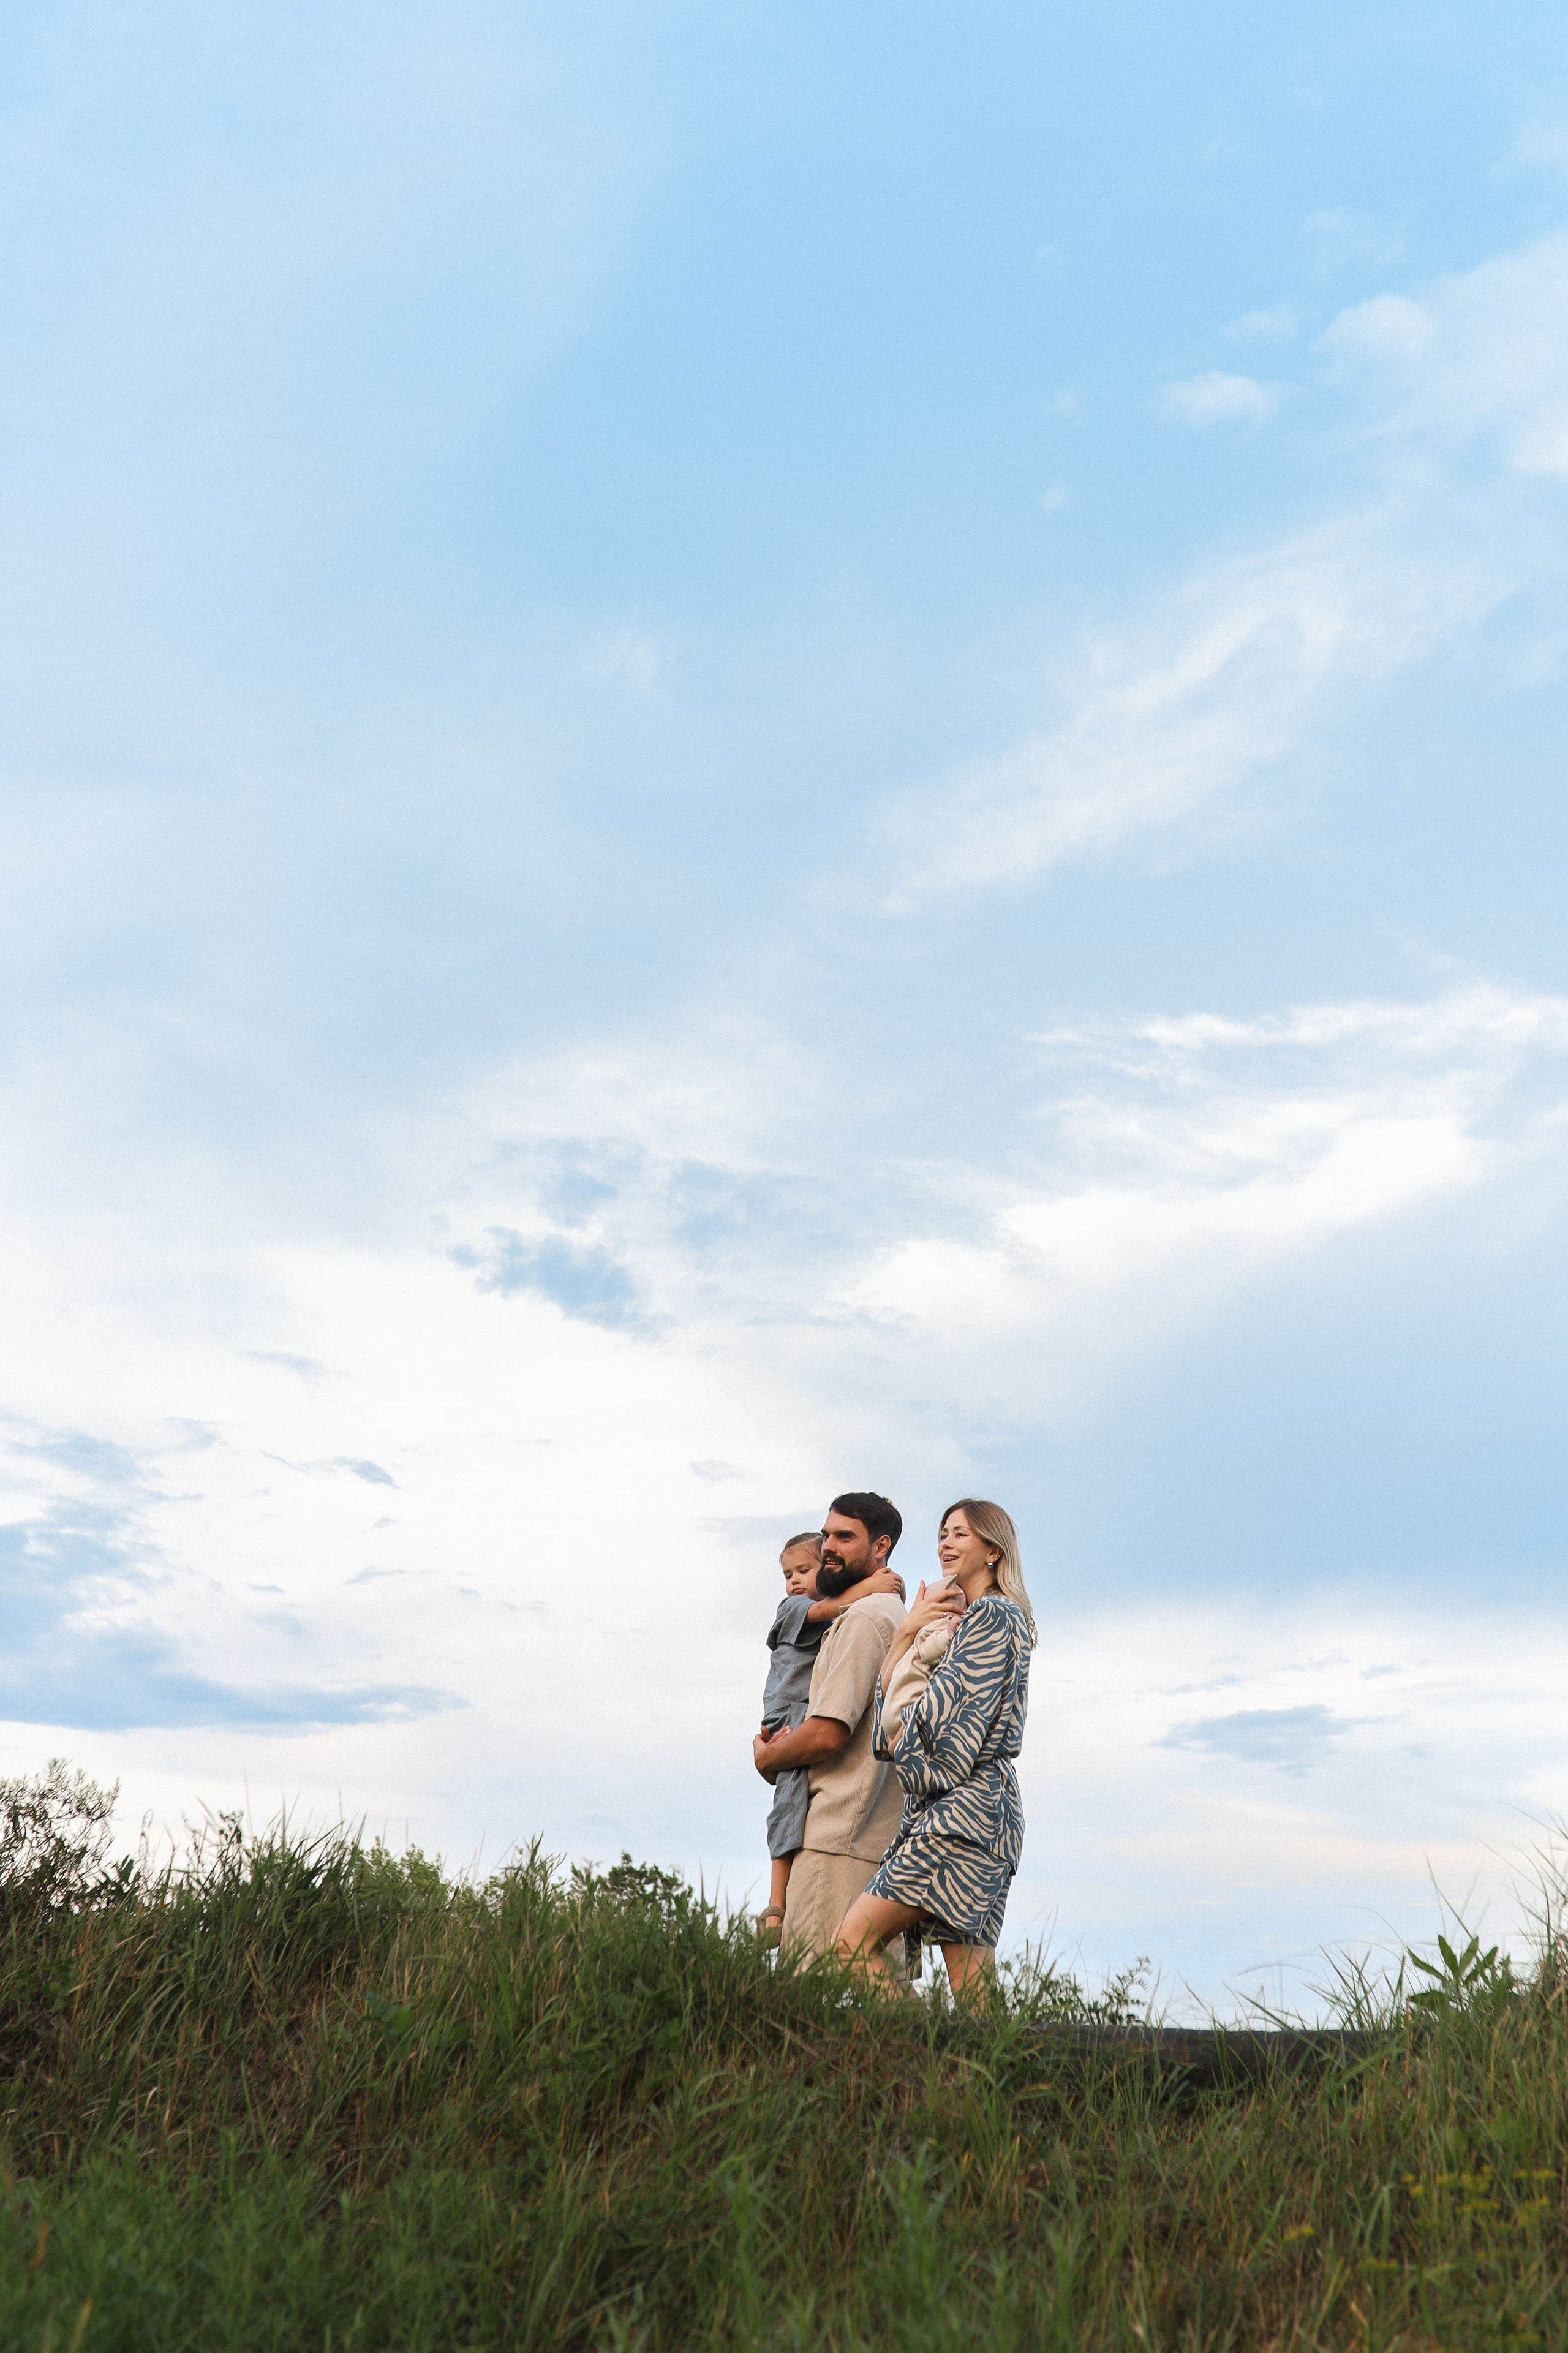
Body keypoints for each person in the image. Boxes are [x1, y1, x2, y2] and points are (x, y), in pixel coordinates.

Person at [835, 1498, 1035, 1999]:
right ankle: (973, 2074)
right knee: (973, 1994)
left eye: (960, 1534)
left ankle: (918, 2059)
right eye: (942, 1533)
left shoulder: (993, 1615)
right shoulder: (962, 1624)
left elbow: (945, 1732)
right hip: (976, 1816)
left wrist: (907, 1735)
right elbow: (889, 1734)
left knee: (851, 1943)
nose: (945, 1543)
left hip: (962, 1816)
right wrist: (906, 1633)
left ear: (993, 1550)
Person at [752, 1492, 908, 1964]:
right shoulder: (893, 1617)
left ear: (881, 1547)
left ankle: (773, 1910)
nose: (828, 1547)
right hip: (872, 1842)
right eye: (826, 1535)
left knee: (816, 2002)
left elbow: (826, 1732)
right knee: (873, 2008)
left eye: (845, 1536)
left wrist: (768, 1757)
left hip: (837, 1840)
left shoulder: (863, 1617)